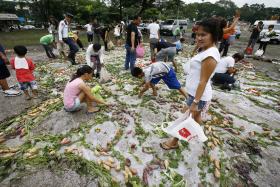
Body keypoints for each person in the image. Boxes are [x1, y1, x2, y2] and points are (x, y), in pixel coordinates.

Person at [160, 17, 221, 150]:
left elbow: (203, 81)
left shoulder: (210, 55)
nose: (199, 38)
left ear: (213, 35)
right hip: (194, 93)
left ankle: (174, 142)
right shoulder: (205, 49)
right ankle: (201, 134)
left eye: (203, 35)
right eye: (197, 35)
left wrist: (195, 102)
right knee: (194, 117)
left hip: (198, 96)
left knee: (187, 119)